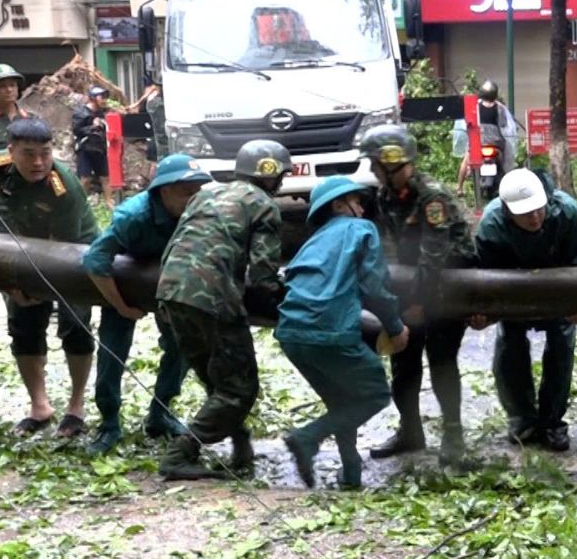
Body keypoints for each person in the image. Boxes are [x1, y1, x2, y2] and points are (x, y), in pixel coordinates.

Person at [0, 118, 99, 438]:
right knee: (24, 328)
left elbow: (61, 249)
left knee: (75, 326)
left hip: (71, 255)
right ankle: (39, 406)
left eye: (45, 153)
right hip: (17, 255)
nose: (39, 162)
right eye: (29, 154)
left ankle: (76, 407)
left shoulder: (64, 185)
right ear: (11, 151)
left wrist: (33, 289)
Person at [155, 139, 288, 480]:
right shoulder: (264, 206)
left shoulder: (205, 194)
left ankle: (240, 442)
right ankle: (180, 453)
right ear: (270, 178)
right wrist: (282, 301)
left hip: (170, 290)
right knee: (240, 388)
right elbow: (262, 276)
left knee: (217, 378)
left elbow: (178, 241)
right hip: (212, 298)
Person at [280, 176, 412, 490]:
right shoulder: (360, 229)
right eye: (357, 201)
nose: (363, 207)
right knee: (376, 394)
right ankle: (306, 438)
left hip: (291, 334)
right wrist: (395, 327)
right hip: (331, 329)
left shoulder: (313, 241)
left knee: (342, 402)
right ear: (340, 205)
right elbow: (375, 285)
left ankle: (351, 473)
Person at [358, 124, 476, 467]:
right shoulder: (385, 196)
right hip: (413, 286)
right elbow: (391, 248)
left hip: (447, 286)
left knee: (442, 361)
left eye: (375, 165)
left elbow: (435, 255)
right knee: (403, 362)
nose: (372, 171)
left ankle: (453, 436)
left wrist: (419, 305)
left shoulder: (431, 197)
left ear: (393, 164)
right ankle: (410, 431)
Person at [81, 153, 213, 455]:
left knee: (180, 347)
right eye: (186, 191)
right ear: (164, 190)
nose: (195, 198)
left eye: (198, 190)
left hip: (170, 285)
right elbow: (95, 259)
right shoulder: (134, 216)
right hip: (125, 285)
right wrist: (121, 305)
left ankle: (160, 414)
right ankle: (109, 422)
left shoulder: (198, 212)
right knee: (113, 352)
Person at [470, 168, 577, 452]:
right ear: (507, 210)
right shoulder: (491, 226)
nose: (534, 217)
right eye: (525, 213)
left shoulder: (569, 213)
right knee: (510, 346)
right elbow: (485, 276)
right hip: (513, 292)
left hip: (558, 288)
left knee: (562, 345)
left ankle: (552, 422)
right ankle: (522, 419)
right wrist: (483, 313)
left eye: (538, 210)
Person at [453, 80, 523, 194]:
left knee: (466, 160)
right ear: (495, 94)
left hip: (478, 142)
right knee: (507, 160)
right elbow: (504, 125)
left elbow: (466, 123)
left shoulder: (475, 106)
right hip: (496, 143)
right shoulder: (500, 108)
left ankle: (459, 187)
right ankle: (507, 180)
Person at [72, 86, 114, 205]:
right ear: (93, 98)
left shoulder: (102, 113)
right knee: (85, 179)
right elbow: (76, 130)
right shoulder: (81, 112)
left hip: (100, 148)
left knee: (105, 177)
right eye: (101, 96)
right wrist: (92, 127)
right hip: (85, 148)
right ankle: (80, 205)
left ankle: (109, 202)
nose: (104, 99)